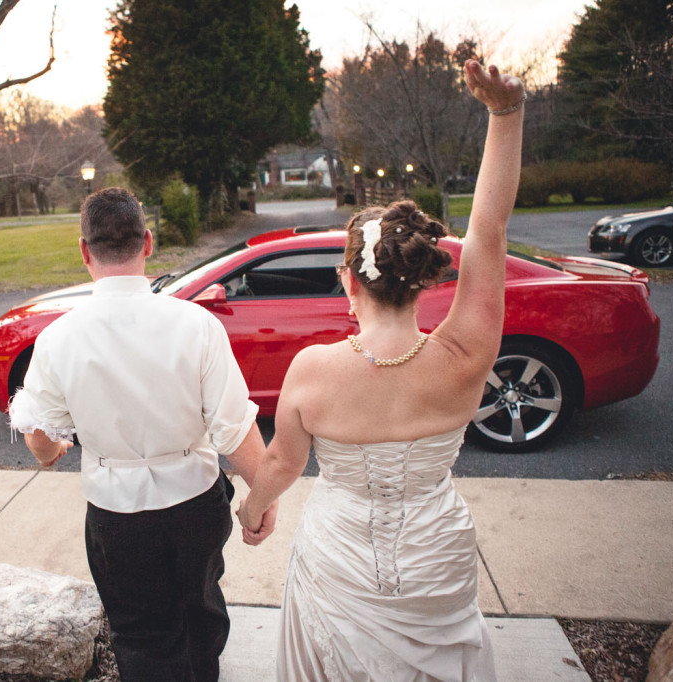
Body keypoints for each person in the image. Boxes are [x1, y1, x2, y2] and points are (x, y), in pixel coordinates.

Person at [236, 60, 525, 681]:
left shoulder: (312, 369)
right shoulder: (464, 355)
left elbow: (284, 462)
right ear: (421, 278)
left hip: (339, 554)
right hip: (436, 551)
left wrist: (254, 507)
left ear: (348, 279)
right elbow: (489, 229)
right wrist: (506, 115)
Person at [7, 187, 277, 682]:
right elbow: (234, 427)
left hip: (115, 512)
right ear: (147, 243)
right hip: (196, 501)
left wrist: (52, 453)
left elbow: (38, 434)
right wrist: (262, 500)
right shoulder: (197, 324)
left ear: (84, 250)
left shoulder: (57, 338)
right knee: (201, 613)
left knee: (138, 632)